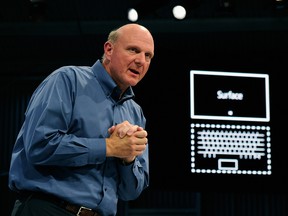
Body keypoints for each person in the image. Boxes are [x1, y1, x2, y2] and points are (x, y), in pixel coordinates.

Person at [8, 23, 154, 216]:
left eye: (148, 56)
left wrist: (127, 158)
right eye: (133, 50)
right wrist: (108, 147)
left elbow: (130, 192)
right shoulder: (67, 80)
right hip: (47, 209)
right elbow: (39, 146)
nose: (140, 61)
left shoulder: (135, 113)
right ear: (109, 49)